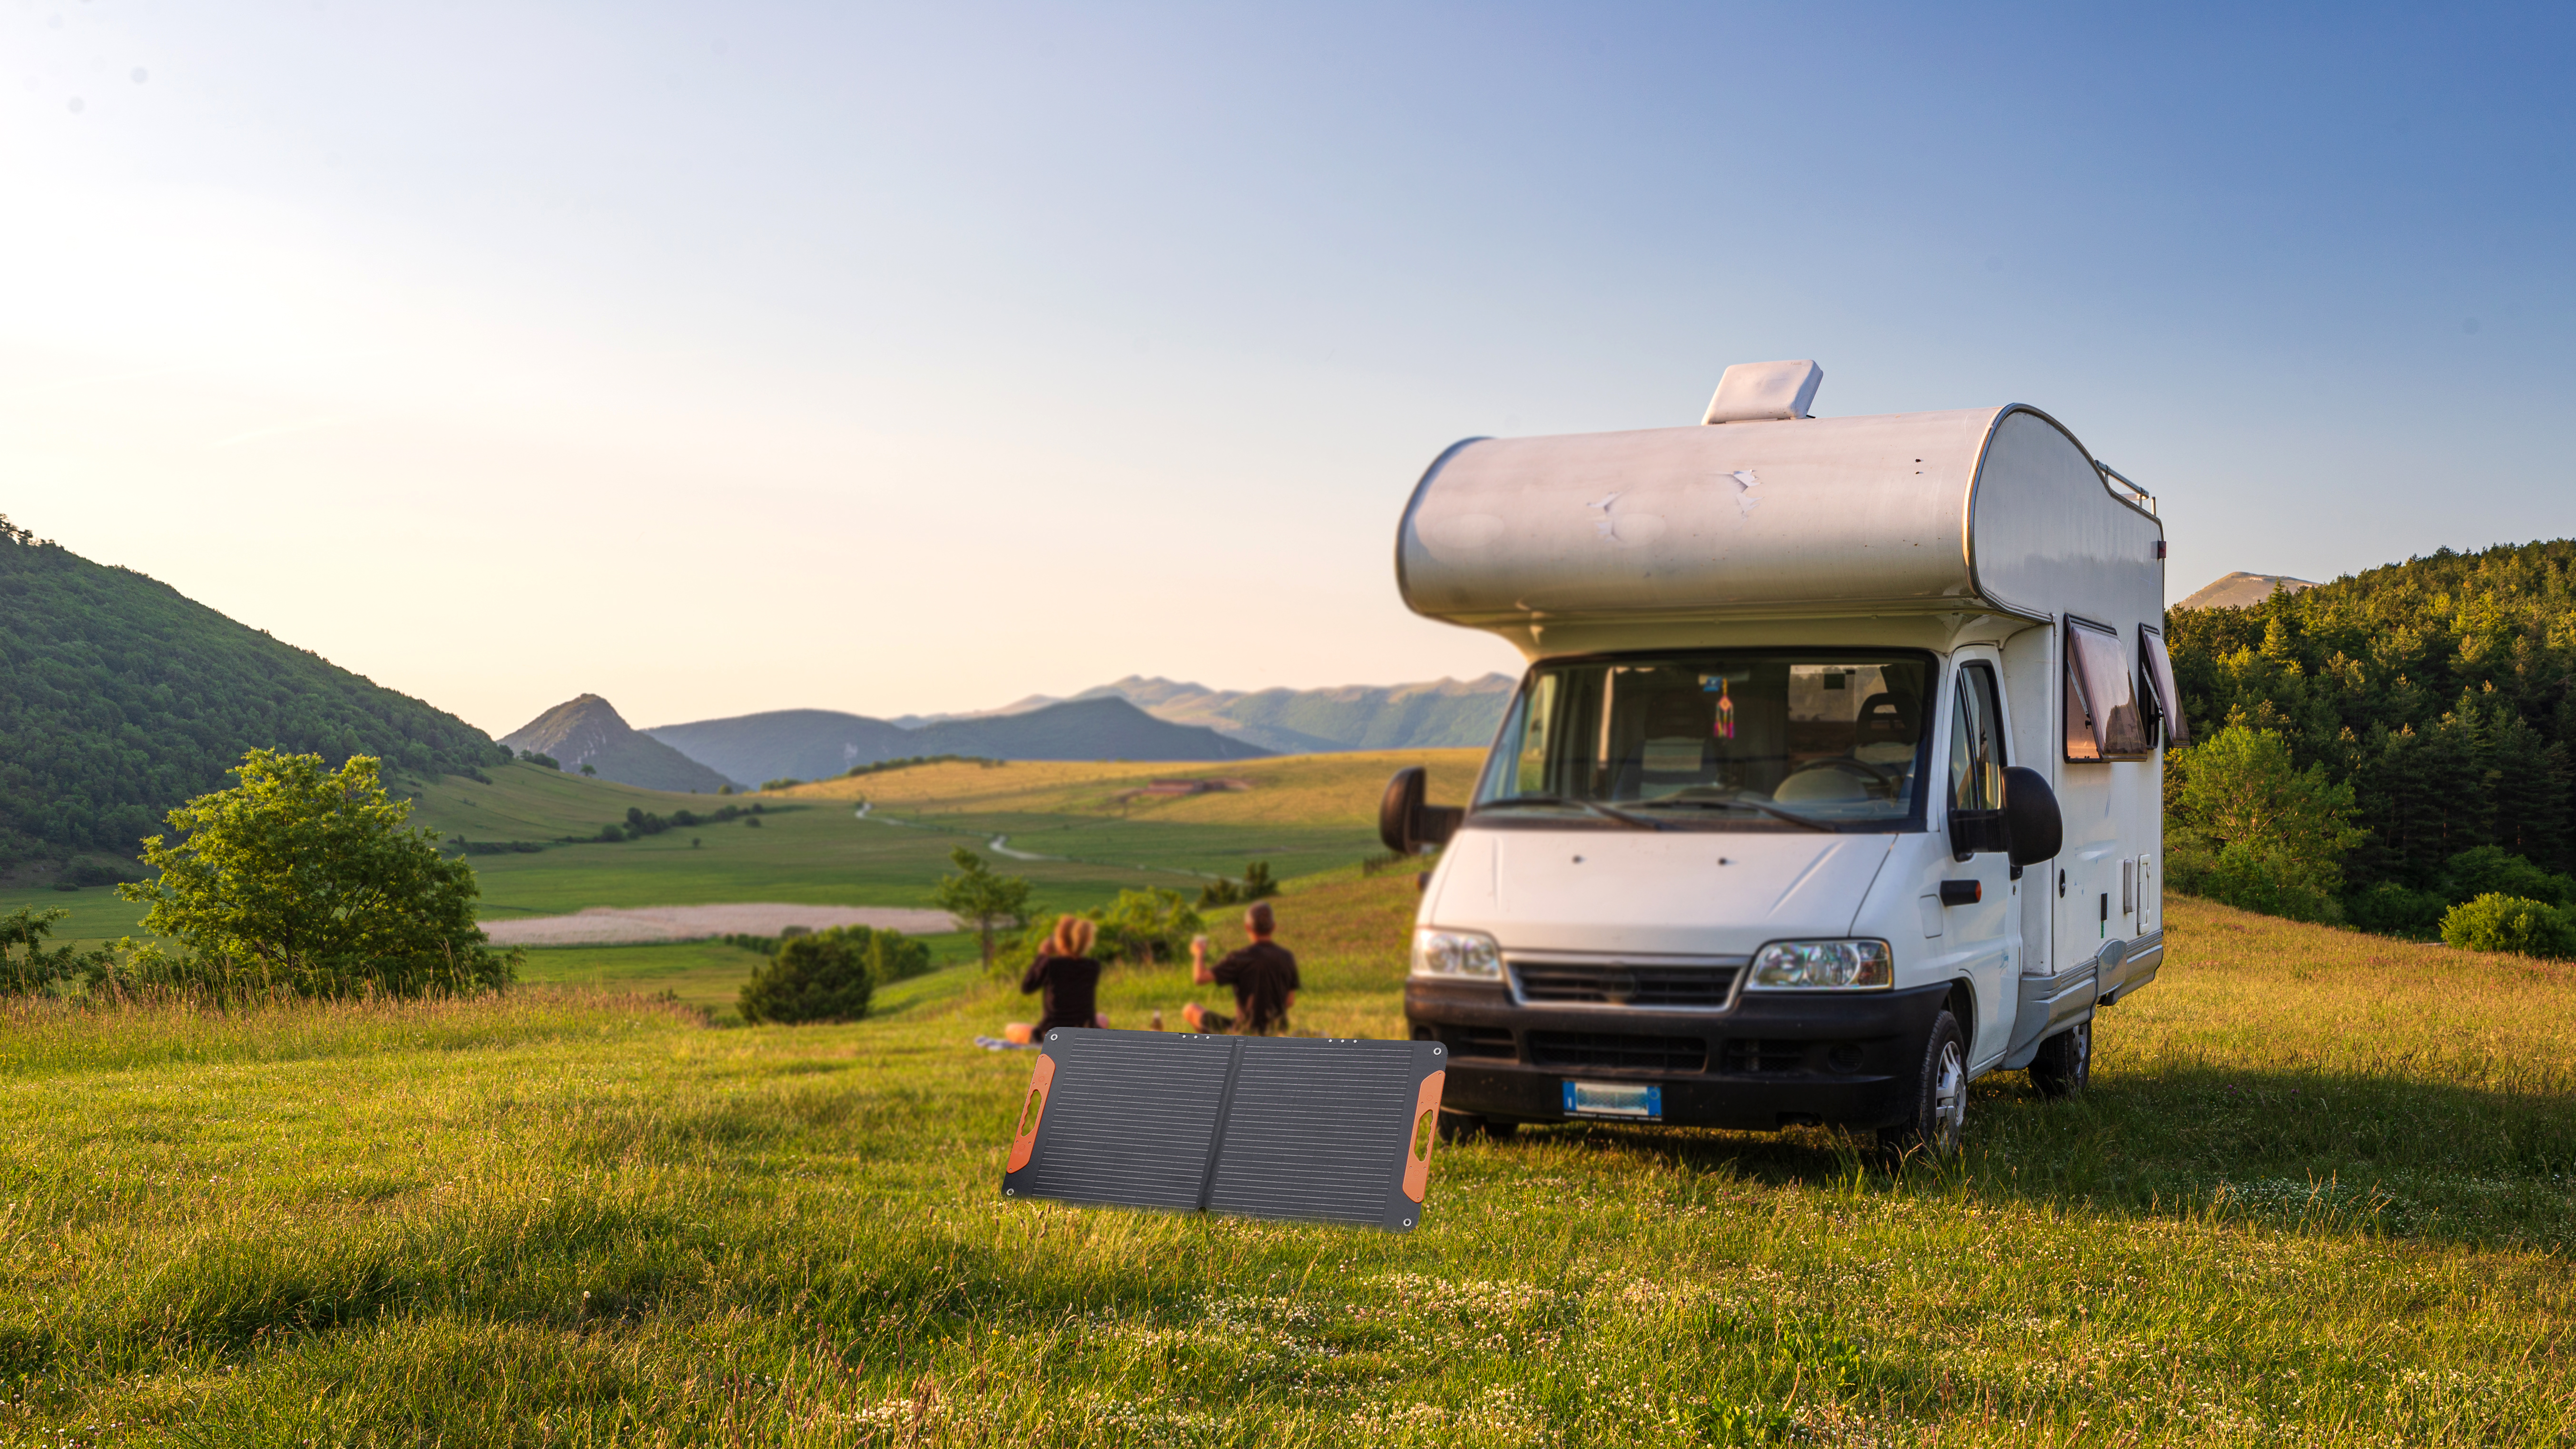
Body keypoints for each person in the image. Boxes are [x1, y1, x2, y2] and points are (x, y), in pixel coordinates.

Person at [1182, 902, 1300, 1035]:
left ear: (1247, 928)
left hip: (1244, 1032)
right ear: (1274, 927)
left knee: (1190, 1010)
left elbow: (1200, 978)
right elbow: (1289, 1001)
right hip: (1276, 1031)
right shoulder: (1287, 957)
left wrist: (1199, 953)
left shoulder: (1240, 958)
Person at [1003, 916, 1108, 1044]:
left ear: (1060, 942)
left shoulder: (1050, 965)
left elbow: (1027, 987)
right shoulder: (1093, 966)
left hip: (1052, 1035)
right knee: (1102, 1018)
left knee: (1011, 1029)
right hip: (1084, 1032)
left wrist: (1042, 955)